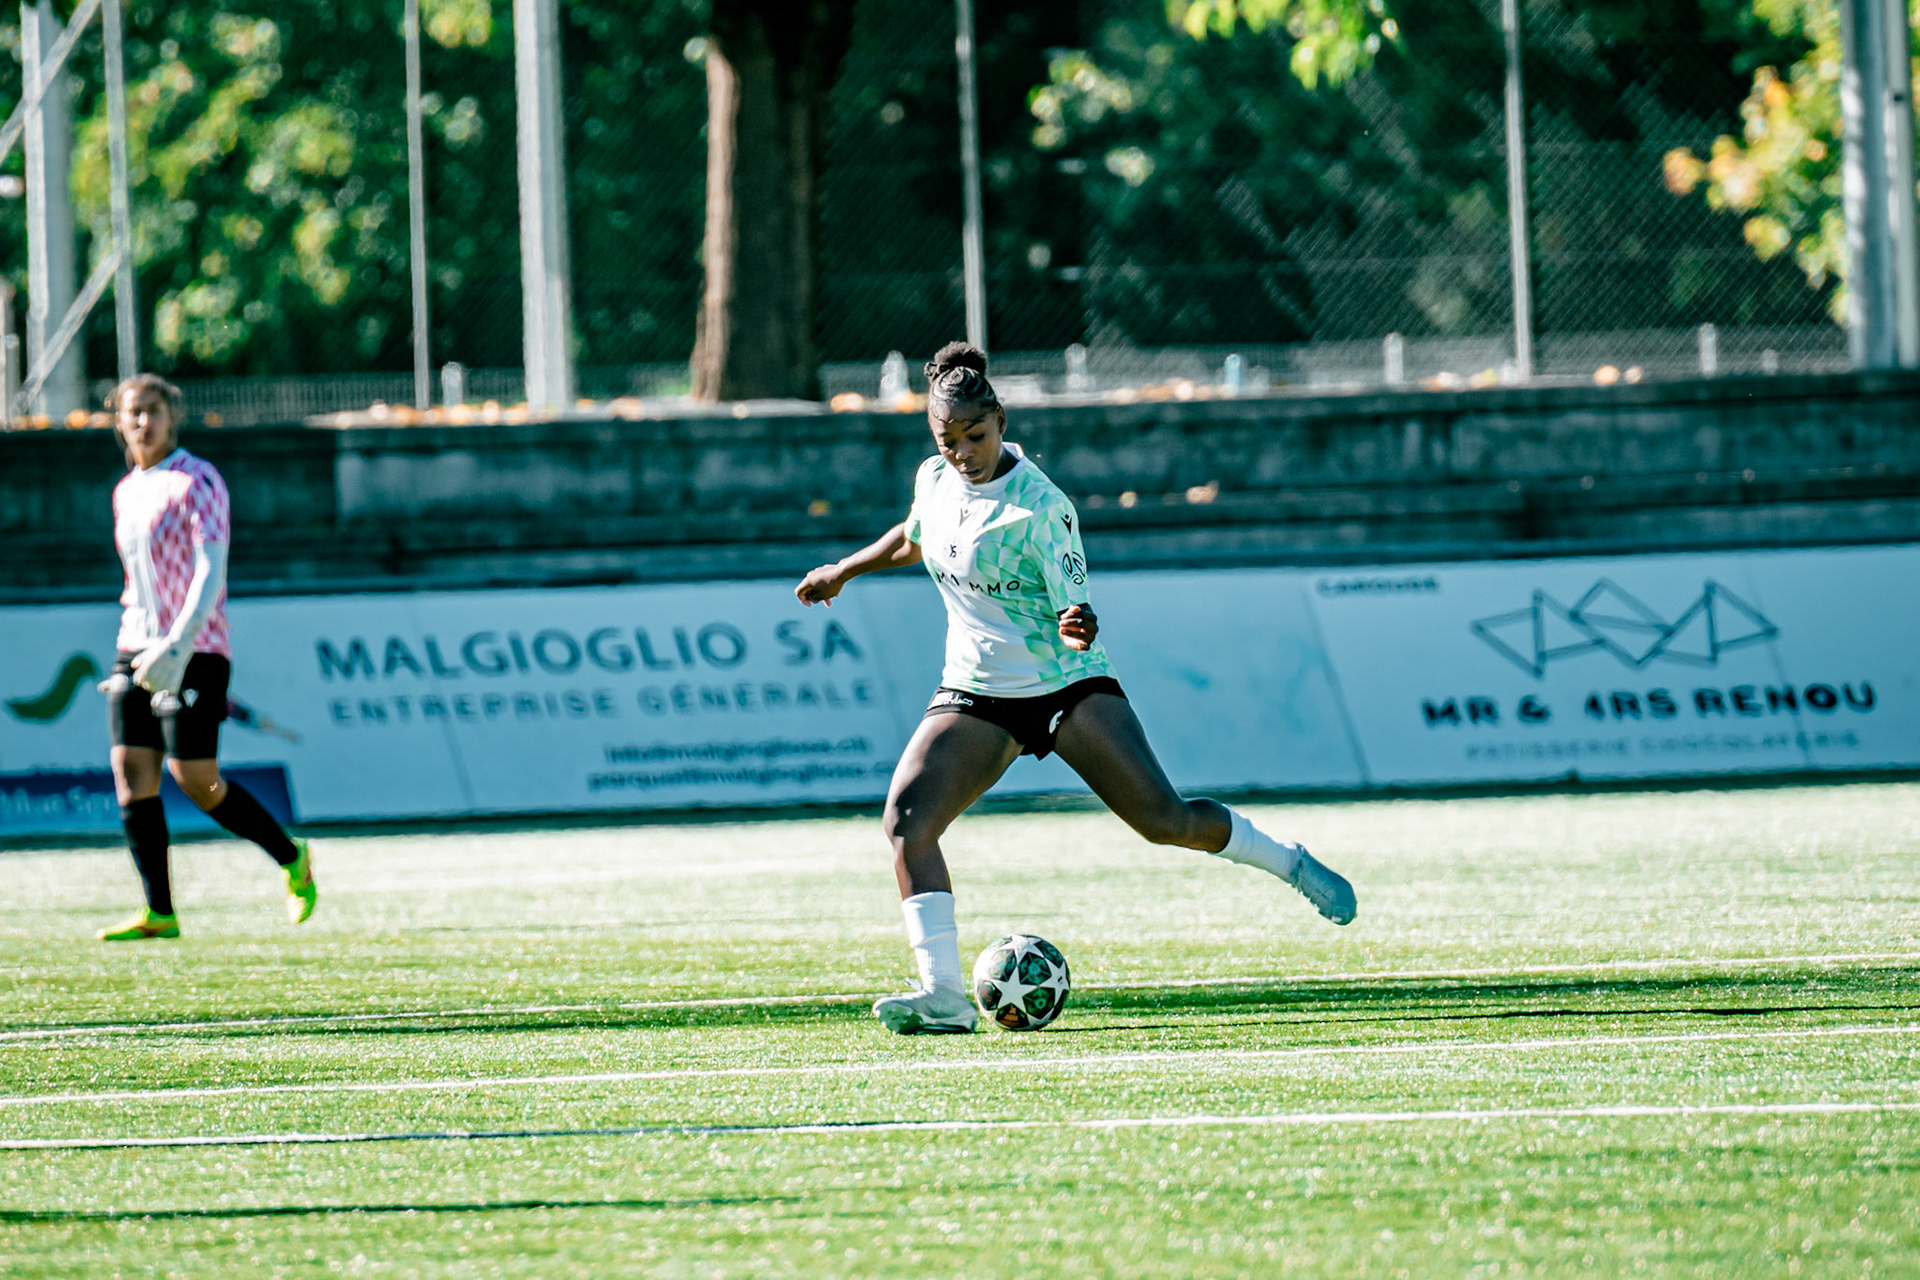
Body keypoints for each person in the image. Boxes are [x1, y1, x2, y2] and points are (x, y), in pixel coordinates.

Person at [796, 343, 1356, 1034]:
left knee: (1165, 822)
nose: (964, 452)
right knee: (908, 821)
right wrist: (843, 570)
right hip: (976, 693)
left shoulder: (1042, 508)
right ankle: (942, 994)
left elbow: (1077, 612)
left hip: (1066, 688)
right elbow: (913, 537)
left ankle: (1289, 863)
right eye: (949, 441)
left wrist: (1076, 626)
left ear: (999, 420)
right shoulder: (934, 480)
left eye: (976, 436)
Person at [94, 374, 317, 940]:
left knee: (194, 779)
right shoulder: (126, 490)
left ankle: (292, 858)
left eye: (152, 411)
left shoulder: (199, 480)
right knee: (130, 771)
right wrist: (142, 646)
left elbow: (210, 572)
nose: (142, 422)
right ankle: (159, 911)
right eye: (132, 412)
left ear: (173, 417)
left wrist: (178, 644)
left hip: (196, 648)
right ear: (118, 421)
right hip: (135, 645)